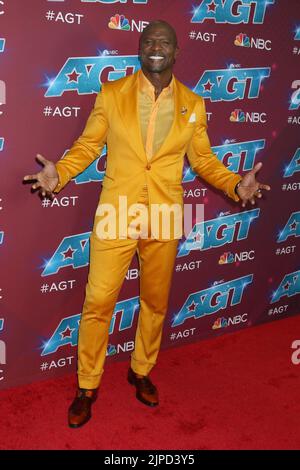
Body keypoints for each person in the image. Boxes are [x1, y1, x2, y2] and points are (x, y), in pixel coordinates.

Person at [24, 20, 270, 428]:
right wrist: (61, 174)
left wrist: (234, 184)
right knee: (98, 302)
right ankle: (88, 385)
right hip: (115, 214)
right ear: (140, 49)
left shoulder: (194, 104)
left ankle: (140, 370)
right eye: (149, 40)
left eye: (164, 42)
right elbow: (88, 145)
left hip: (163, 215)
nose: (156, 46)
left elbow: (204, 160)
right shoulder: (112, 94)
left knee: (154, 303)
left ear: (176, 52)